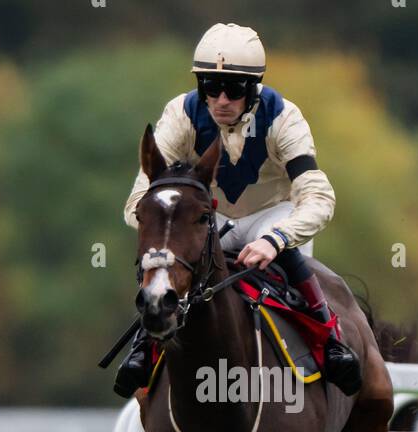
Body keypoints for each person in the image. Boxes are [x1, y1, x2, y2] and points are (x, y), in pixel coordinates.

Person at [114, 22, 362, 398]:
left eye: (234, 89)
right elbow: (139, 200)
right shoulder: (181, 114)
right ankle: (143, 348)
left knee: (287, 253)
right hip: (210, 220)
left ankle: (330, 341)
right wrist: (171, 231)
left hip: (273, 216)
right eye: (211, 87)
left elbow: (319, 198)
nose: (221, 100)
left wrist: (276, 239)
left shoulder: (283, 118)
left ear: (253, 87)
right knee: (167, 259)